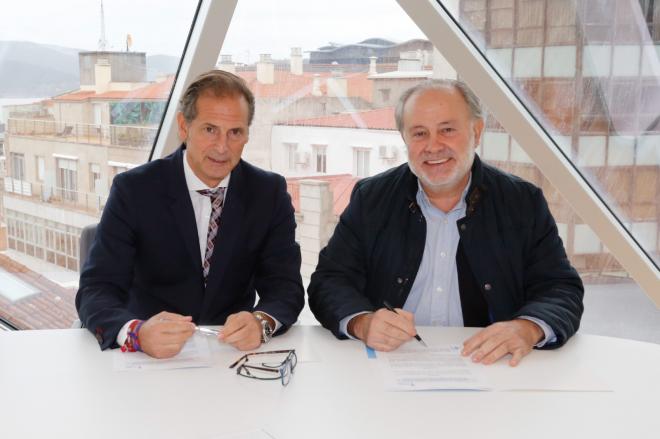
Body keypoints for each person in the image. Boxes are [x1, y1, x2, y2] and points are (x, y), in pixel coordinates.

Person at [308, 79, 583, 366]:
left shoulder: (521, 202)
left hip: (492, 365)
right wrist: (363, 323)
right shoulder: (372, 198)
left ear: (477, 132)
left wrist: (527, 328)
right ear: (404, 139)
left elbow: (560, 288)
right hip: (392, 363)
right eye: (419, 133)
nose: (433, 146)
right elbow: (329, 281)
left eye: (447, 130)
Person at [76, 70, 304, 358]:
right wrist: (135, 333)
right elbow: (96, 289)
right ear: (184, 127)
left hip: (230, 355)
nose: (222, 147)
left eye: (235, 132)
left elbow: (286, 288)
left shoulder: (268, 193)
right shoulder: (134, 190)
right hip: (148, 358)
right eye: (210, 129)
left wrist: (262, 323)